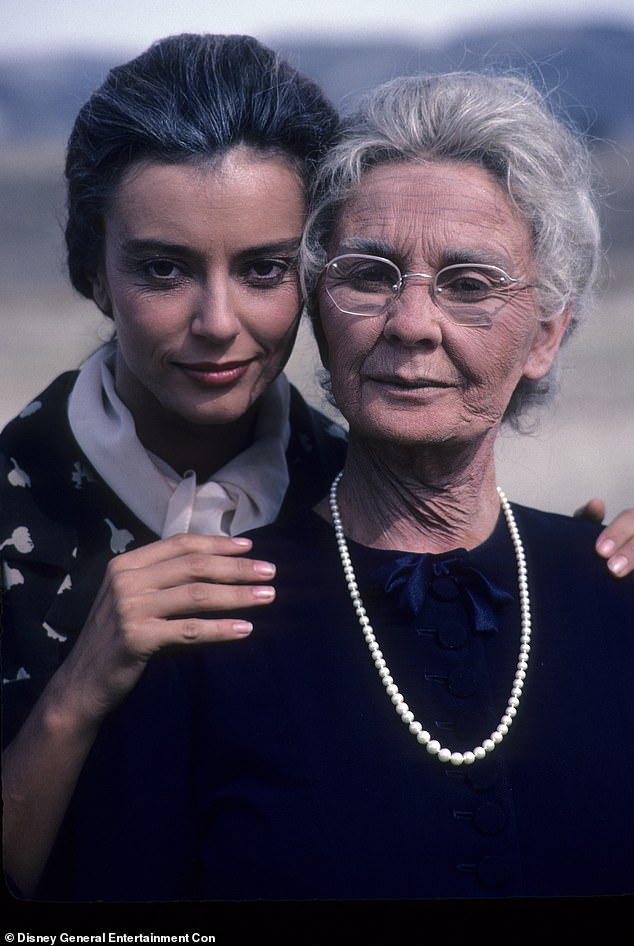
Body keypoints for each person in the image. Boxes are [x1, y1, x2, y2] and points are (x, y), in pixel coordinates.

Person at [21, 70, 633, 903]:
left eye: (470, 283)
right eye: (370, 273)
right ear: (322, 305)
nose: (412, 323)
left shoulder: (610, 585)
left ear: (547, 337)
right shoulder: (197, 626)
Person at [0, 33, 346, 899]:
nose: (218, 321)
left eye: (266, 267)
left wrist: (581, 575)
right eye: (164, 268)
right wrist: (79, 688)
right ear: (93, 271)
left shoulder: (366, 499)